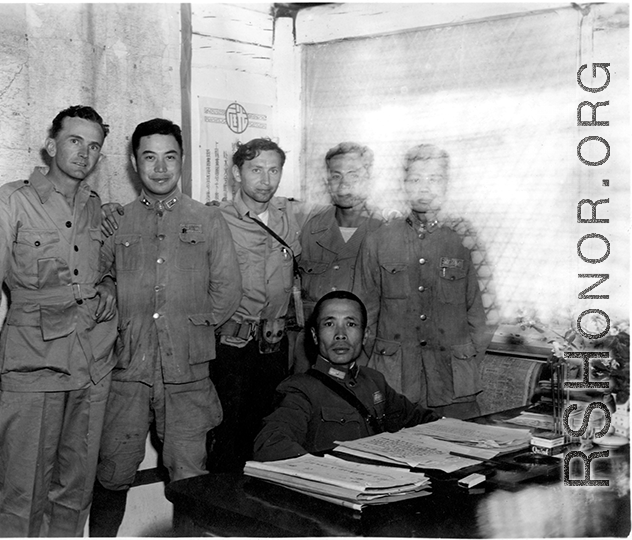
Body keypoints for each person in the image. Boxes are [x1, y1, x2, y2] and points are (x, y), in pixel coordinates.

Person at [0, 105, 118, 537]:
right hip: (33, 365)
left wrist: (106, 285)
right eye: (74, 141)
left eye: (94, 146)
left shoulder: (93, 205)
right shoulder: (11, 201)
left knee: (74, 489)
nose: (84, 153)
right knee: (22, 491)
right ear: (51, 146)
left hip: (90, 363)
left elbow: (95, 267)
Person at [89, 118, 242, 536]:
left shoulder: (208, 220)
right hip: (126, 371)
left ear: (182, 161)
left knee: (190, 479)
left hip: (188, 375)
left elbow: (227, 292)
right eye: (149, 157)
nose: (160, 168)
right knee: (112, 472)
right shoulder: (116, 221)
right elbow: (94, 275)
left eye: (169, 157)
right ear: (134, 163)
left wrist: (190, 330)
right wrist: (106, 283)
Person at [354, 144, 490, 420]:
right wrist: (378, 364)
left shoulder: (463, 238)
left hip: (453, 383)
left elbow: (481, 310)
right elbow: (363, 312)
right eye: (415, 179)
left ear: (447, 184)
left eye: (434, 179)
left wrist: (466, 358)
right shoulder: (379, 240)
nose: (424, 188)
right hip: (395, 380)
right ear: (404, 185)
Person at [207, 138, 304, 473]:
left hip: (275, 348)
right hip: (231, 348)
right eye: (256, 170)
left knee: (268, 438)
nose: (266, 179)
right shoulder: (215, 219)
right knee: (227, 439)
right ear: (237, 173)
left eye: (274, 170)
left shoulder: (290, 216)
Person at [254, 291, 440, 461]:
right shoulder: (300, 390)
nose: (340, 335)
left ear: (365, 335)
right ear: (315, 335)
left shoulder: (374, 381)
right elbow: (271, 444)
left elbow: (424, 421)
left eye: (350, 324)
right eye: (329, 324)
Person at [294, 142, 384, 373]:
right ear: (327, 181)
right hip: (312, 357)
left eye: (353, 175)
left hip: (365, 358)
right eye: (336, 175)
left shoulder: (387, 231)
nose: (344, 184)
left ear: (369, 178)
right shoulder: (310, 228)